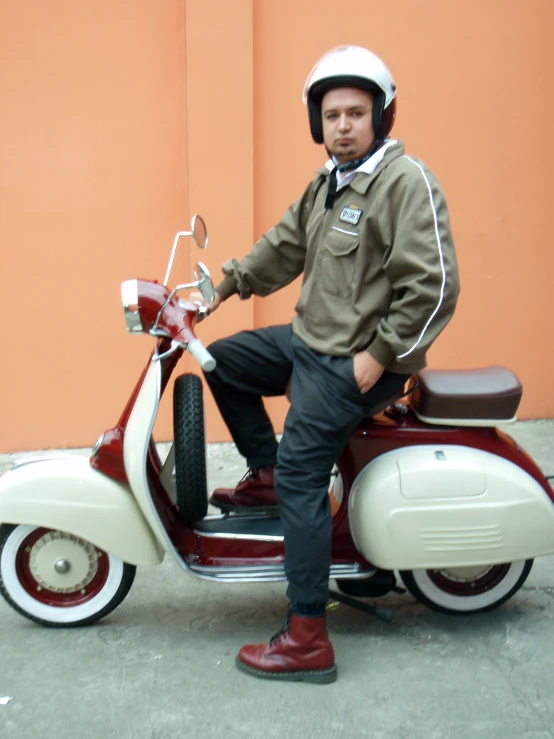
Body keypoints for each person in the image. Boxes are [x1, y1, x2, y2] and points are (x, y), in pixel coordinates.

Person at [192, 45, 460, 683]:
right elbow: (283, 246)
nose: (343, 124)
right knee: (223, 363)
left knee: (304, 475)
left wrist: (379, 355)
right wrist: (218, 290)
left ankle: (308, 634)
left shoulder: (403, 182)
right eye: (332, 114)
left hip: (354, 362)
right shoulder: (328, 182)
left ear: (380, 118)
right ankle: (265, 473)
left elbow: (436, 287)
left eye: (356, 112)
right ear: (319, 122)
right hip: (311, 342)